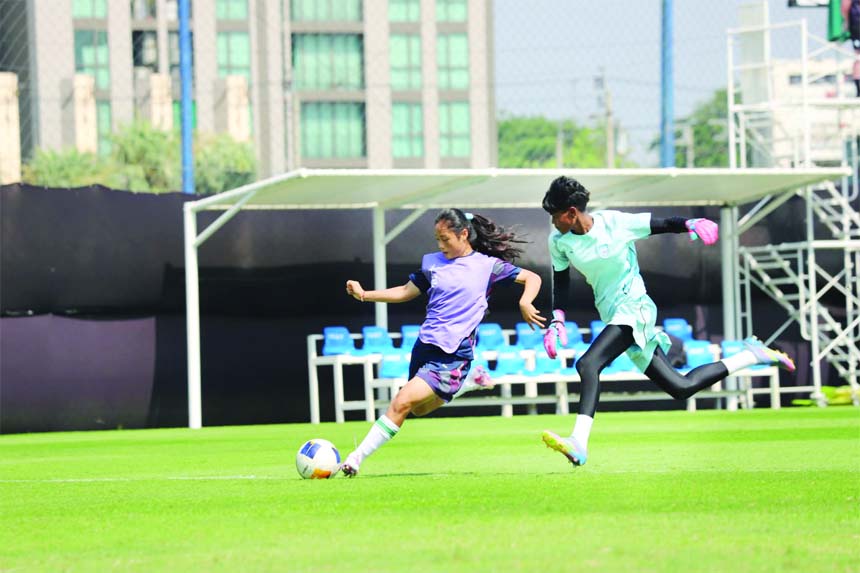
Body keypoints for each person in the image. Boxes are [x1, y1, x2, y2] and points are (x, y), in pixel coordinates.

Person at [539, 176, 796, 467]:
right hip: (612, 314)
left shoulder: (614, 223)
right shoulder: (558, 241)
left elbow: (660, 225)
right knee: (681, 387)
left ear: (572, 212)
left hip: (634, 307)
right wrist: (557, 320)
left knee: (588, 364)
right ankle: (752, 355)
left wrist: (690, 224)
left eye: (555, 215)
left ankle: (579, 442)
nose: (553, 222)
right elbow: (561, 281)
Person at [340, 208, 545, 477]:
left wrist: (525, 301)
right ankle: (469, 383)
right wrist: (364, 294)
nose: (440, 245)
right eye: (437, 239)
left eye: (445, 239)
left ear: (463, 234)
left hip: (453, 354)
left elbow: (532, 277)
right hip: (425, 346)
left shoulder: (487, 266)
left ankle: (355, 459)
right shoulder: (432, 263)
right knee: (417, 409)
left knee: (401, 401)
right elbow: (405, 291)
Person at [843, 0, 860, 97]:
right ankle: (858, 90)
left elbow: (844, 8)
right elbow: (845, 7)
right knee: (858, 57)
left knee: (858, 57)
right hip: (857, 26)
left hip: (856, 25)